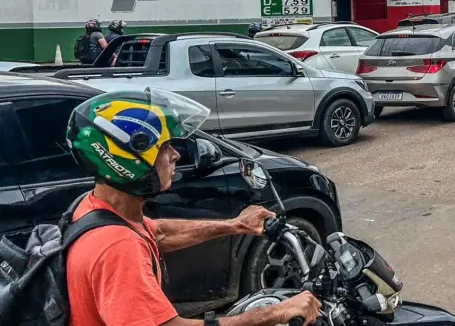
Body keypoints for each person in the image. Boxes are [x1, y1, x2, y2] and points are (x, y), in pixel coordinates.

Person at [65, 89, 321, 326]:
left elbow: (159, 232)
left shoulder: (98, 208)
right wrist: (273, 313)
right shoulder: (117, 247)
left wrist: (236, 225)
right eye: (164, 147)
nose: (175, 154)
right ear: (128, 161)